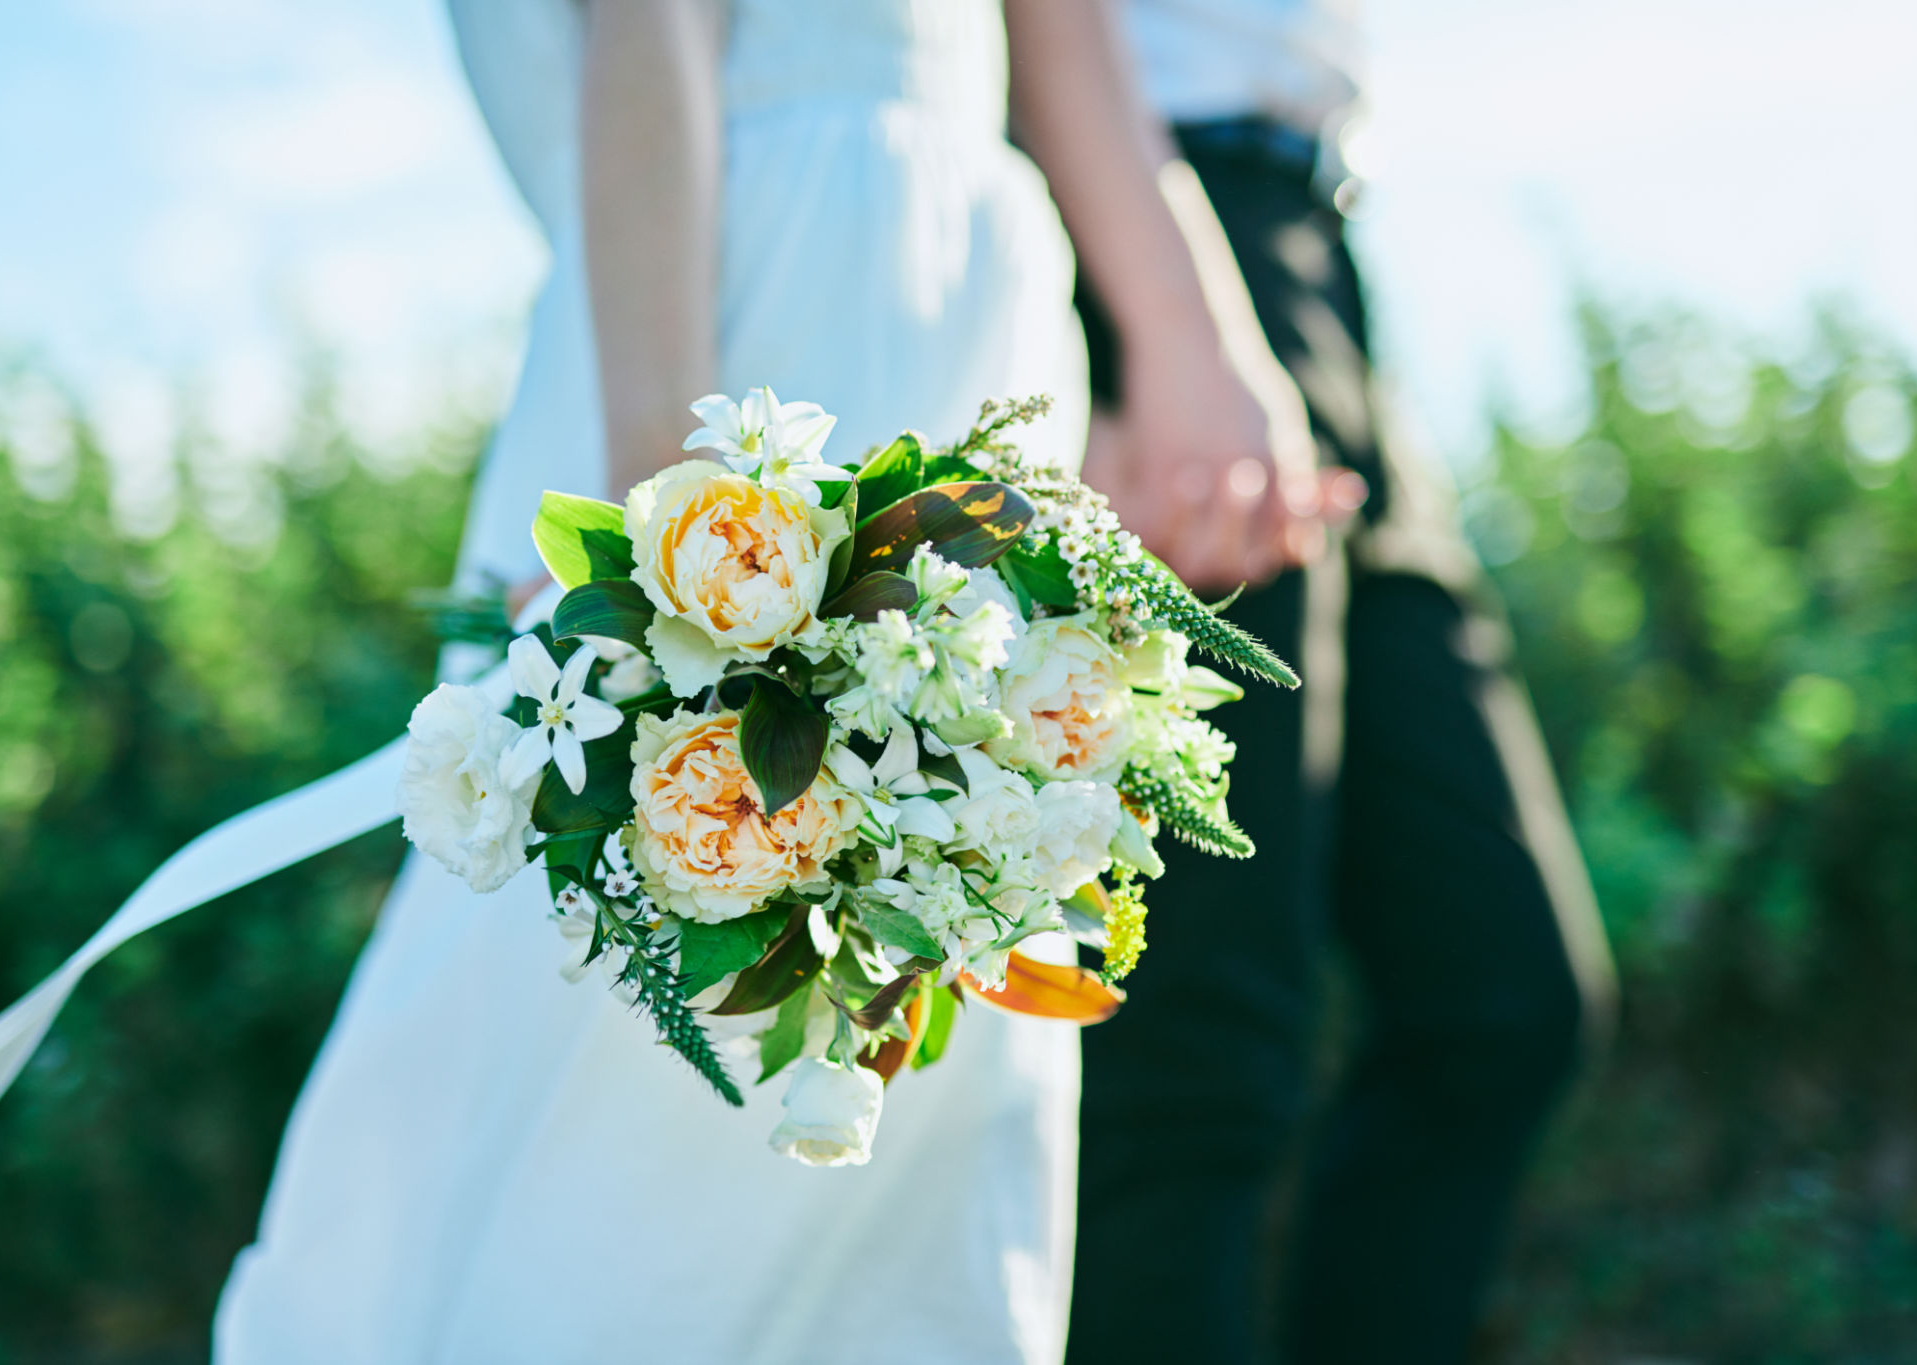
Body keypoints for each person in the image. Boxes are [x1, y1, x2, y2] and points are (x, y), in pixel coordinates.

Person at [210, 1, 1300, 1360]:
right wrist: (655, 535)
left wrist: (1190, 337)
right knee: (628, 985)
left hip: (970, 294)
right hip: (768, 277)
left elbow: (1057, 27)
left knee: (948, 943)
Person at [1064, 3, 1621, 1362]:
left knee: (1501, 996)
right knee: (1193, 1055)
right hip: (1142, 234)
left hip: (1315, 251)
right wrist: (1162, 326)